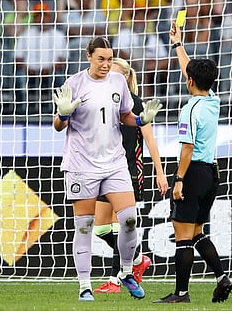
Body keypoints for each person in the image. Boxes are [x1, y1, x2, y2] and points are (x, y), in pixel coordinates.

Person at [52, 36, 162, 302]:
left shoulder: (118, 81)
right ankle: (84, 285)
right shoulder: (74, 83)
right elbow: (58, 125)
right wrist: (64, 114)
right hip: (82, 165)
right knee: (85, 227)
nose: (106, 64)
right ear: (88, 56)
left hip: (114, 163)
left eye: (109, 59)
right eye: (101, 58)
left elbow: (124, 114)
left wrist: (139, 119)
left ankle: (126, 272)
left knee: (129, 221)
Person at [153, 22, 232, 304]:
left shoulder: (189, 110)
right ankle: (222, 277)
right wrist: (178, 45)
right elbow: (192, 72)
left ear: (189, 82)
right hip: (211, 174)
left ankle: (181, 293)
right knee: (197, 232)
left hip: (193, 172)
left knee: (182, 235)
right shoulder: (213, 101)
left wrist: (178, 180)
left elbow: (186, 149)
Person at [93, 57, 169, 294]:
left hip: (128, 171)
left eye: (114, 74)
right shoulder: (104, 102)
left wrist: (160, 172)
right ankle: (137, 259)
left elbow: (150, 141)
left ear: (125, 77)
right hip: (104, 170)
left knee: (119, 227)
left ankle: (116, 281)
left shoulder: (136, 104)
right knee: (100, 229)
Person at [14, 2, 68, 115]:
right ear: (34, 18)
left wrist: (49, 70)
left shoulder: (58, 35)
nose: (42, 19)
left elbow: (63, 61)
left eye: (44, 15)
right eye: (38, 16)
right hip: (29, 72)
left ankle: (58, 111)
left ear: (49, 17)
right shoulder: (25, 35)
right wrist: (28, 70)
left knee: (60, 79)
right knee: (19, 78)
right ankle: (22, 111)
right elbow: (18, 59)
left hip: (51, 72)